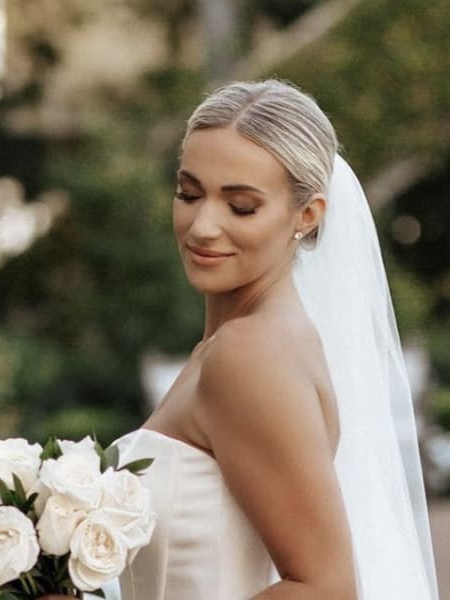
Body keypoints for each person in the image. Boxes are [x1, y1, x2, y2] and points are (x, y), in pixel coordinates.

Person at [39, 80, 439, 599]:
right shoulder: (251, 342)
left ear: (307, 216)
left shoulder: (248, 355)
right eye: (188, 193)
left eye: (242, 206)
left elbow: (325, 588)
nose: (203, 226)